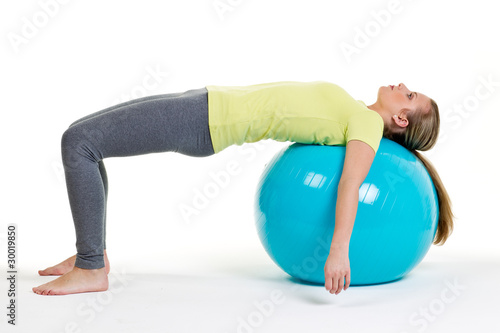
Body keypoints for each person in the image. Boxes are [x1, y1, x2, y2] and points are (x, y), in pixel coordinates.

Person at [32, 81, 453, 296]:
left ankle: (91, 269)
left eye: (410, 95)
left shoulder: (364, 128)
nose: (402, 85)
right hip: (207, 101)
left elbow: (350, 184)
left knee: (80, 144)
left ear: (401, 119)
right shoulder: (357, 112)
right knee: (81, 136)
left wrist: (339, 249)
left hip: (206, 122)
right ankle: (91, 252)